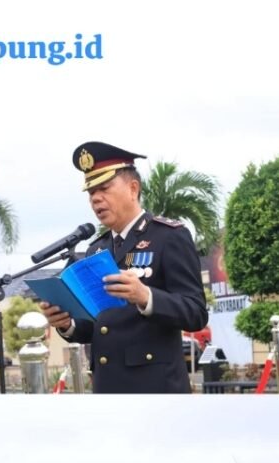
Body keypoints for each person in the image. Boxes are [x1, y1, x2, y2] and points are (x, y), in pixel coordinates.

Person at [39, 141, 208, 393]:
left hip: (155, 388)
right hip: (108, 386)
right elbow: (99, 324)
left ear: (133, 188)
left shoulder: (169, 236)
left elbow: (196, 313)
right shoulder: (97, 248)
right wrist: (67, 324)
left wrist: (146, 297)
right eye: (91, 192)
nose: (96, 198)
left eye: (104, 188)